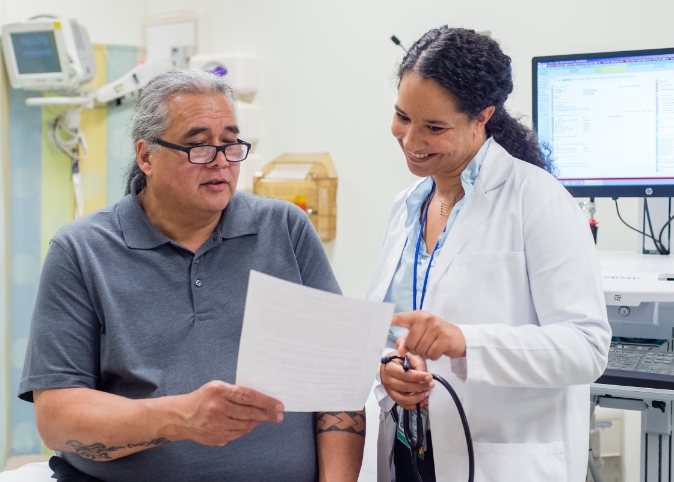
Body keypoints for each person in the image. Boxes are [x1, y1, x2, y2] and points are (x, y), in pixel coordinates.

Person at [17, 69, 365, 482]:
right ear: (146, 156)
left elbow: (340, 381)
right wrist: (181, 418)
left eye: (231, 143)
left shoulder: (284, 229)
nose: (221, 162)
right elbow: (57, 417)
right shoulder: (81, 250)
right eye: (198, 146)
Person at [369, 27, 611, 482]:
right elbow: (389, 329)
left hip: (500, 460)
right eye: (403, 116)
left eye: (435, 127)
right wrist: (388, 371)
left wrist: (468, 342)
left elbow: (586, 348)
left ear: (482, 116)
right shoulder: (406, 206)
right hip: (410, 452)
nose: (410, 140)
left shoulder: (537, 200)